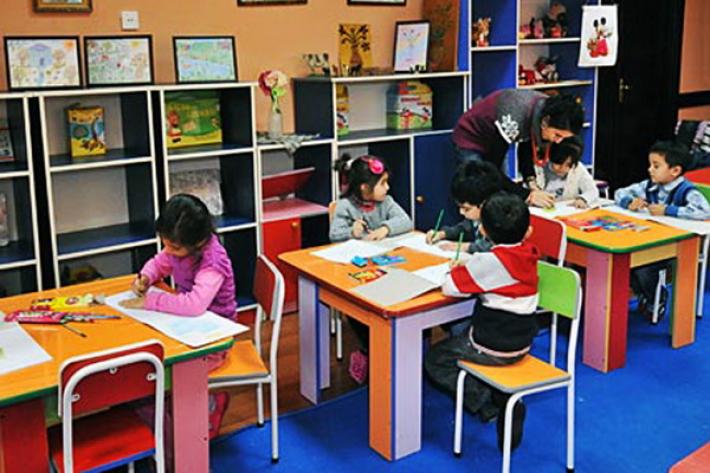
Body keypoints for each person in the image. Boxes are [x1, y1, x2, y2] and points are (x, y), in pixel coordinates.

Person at [424, 191, 540, 452]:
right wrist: (470, 264)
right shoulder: (530, 254)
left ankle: (490, 402)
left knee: (436, 360)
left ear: (483, 230)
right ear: (528, 231)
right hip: (523, 342)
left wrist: (456, 269)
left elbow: (450, 287)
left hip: (491, 345)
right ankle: (499, 395)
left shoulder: (490, 262)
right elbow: (493, 272)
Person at [120, 193, 236, 444]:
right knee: (147, 371)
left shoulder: (213, 261)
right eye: (166, 244)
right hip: (186, 329)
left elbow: (194, 305)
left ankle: (196, 419)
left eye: (174, 247)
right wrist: (145, 278)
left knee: (154, 377)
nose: (169, 250)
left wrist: (150, 300)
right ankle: (182, 416)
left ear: (198, 241)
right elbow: (159, 262)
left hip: (212, 340)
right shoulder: (179, 247)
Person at [330, 153, 413, 383]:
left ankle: (393, 351)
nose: (387, 188)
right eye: (383, 183)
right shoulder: (345, 206)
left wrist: (385, 229)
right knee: (360, 308)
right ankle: (369, 350)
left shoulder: (387, 202)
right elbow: (334, 234)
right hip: (356, 273)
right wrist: (352, 231)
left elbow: (406, 221)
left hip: (386, 268)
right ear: (365, 188)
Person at [614, 141, 710, 319]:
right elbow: (620, 192)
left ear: (675, 171)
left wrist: (668, 210)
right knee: (623, 261)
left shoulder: (686, 190)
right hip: (648, 241)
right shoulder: (649, 185)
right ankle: (645, 293)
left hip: (675, 248)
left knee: (644, 268)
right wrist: (629, 202)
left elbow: (705, 211)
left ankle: (655, 298)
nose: (650, 169)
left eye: (656, 166)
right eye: (650, 165)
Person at [452, 89, 585, 208]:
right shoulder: (515, 116)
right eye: (557, 135)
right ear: (545, 122)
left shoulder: (544, 108)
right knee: (476, 193)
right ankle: (474, 227)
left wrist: (531, 183)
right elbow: (491, 171)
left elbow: (526, 142)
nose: (558, 141)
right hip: (471, 137)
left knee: (500, 195)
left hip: (495, 138)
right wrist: (528, 195)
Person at [426, 160, 502, 255]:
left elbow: (494, 248)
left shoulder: (502, 222)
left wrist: (466, 247)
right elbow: (466, 227)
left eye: (466, 209)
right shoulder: (476, 218)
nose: (461, 212)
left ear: (485, 203)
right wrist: (443, 234)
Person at [533, 134, 599, 208]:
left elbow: (592, 190)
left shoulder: (577, 169)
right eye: (559, 163)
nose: (563, 168)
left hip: (567, 211)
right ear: (552, 157)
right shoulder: (538, 169)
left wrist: (583, 199)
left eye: (568, 164)